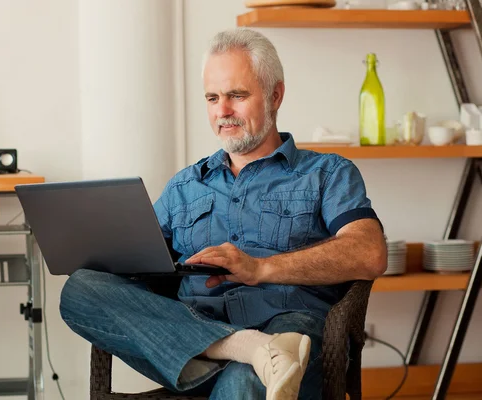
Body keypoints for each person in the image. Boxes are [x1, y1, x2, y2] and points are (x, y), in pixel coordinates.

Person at [59, 28, 387, 400]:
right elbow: (136, 266)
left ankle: (258, 353)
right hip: (193, 343)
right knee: (80, 289)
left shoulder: (327, 173)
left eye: (236, 95)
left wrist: (261, 268)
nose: (222, 111)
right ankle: (244, 348)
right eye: (212, 98)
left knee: (245, 381)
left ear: (275, 95)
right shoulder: (184, 186)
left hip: (290, 332)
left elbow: (368, 253)